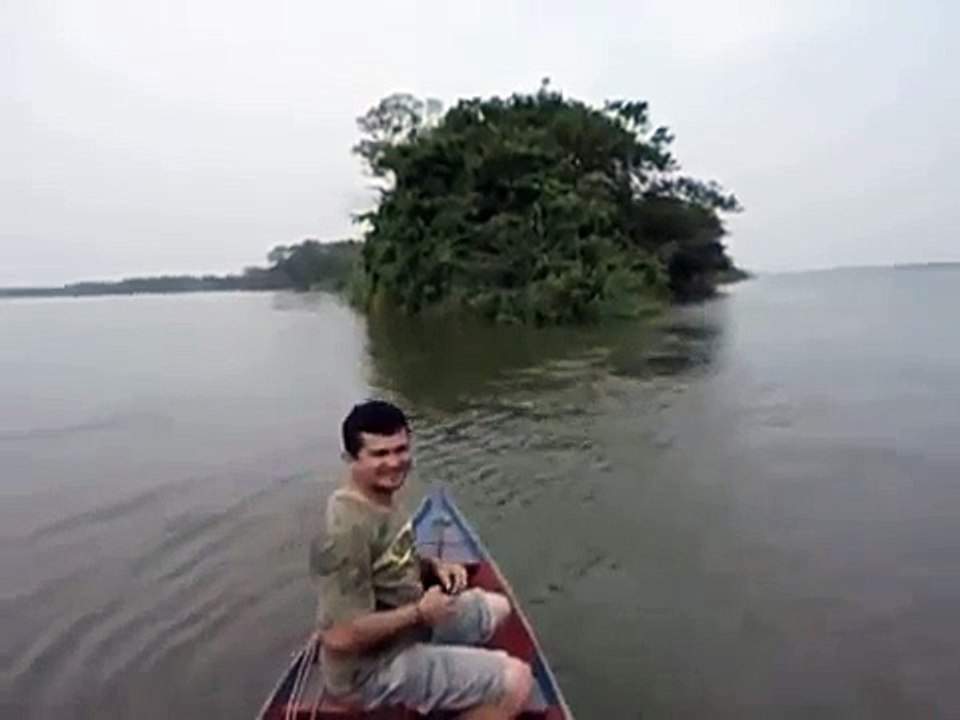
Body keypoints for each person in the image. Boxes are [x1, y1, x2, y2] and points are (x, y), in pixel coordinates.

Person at [314, 399, 533, 719]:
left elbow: (392, 556)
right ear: (351, 459)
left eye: (400, 449)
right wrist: (419, 613)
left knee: (498, 608)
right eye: (379, 454)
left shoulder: (379, 498)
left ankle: (449, 679)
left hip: (408, 626)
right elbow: (339, 636)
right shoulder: (345, 530)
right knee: (517, 681)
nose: (394, 462)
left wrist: (433, 566)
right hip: (368, 671)